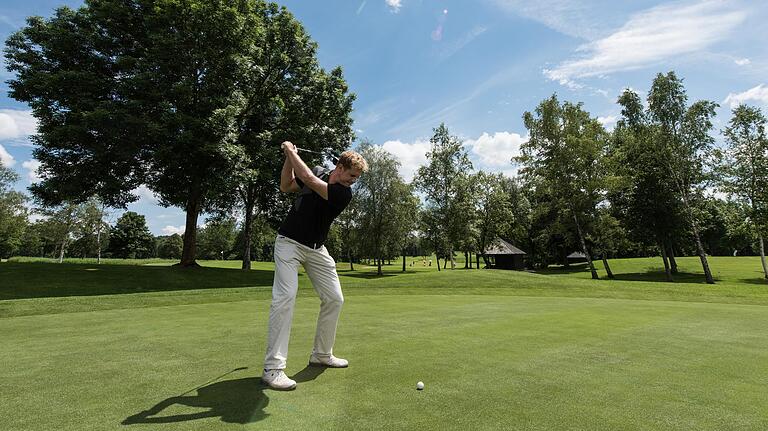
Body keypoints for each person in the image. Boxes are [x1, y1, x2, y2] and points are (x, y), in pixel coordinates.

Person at [261, 141, 368, 391]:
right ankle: (273, 368)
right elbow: (286, 185)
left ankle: (321, 354)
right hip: (288, 243)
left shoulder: (343, 193)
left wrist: (289, 151)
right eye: (352, 175)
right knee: (285, 297)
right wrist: (290, 158)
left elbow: (307, 177)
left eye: (357, 177)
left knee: (334, 298)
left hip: (317, 249)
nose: (354, 180)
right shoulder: (321, 171)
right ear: (339, 167)